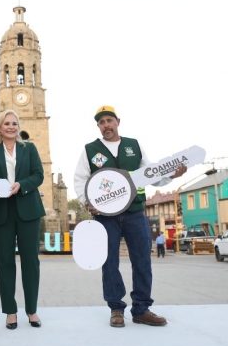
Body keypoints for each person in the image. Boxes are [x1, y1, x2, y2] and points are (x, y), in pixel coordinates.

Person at [74, 105, 186, 328]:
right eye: (101, 122)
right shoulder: (90, 150)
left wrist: (170, 176)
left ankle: (141, 309)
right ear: (98, 126)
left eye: (109, 120)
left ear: (117, 122)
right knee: (109, 263)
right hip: (106, 216)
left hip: (135, 212)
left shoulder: (133, 146)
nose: (106, 125)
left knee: (142, 260)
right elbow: (80, 179)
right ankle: (116, 308)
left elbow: (150, 173)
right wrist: (87, 202)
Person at [0, 109, 45, 329]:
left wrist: (22, 185)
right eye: (7, 123)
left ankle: (32, 310)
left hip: (28, 210)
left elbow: (39, 175)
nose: (11, 126)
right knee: (5, 263)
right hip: (2, 212)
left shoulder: (29, 149)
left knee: (31, 262)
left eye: (14, 123)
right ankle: (10, 311)